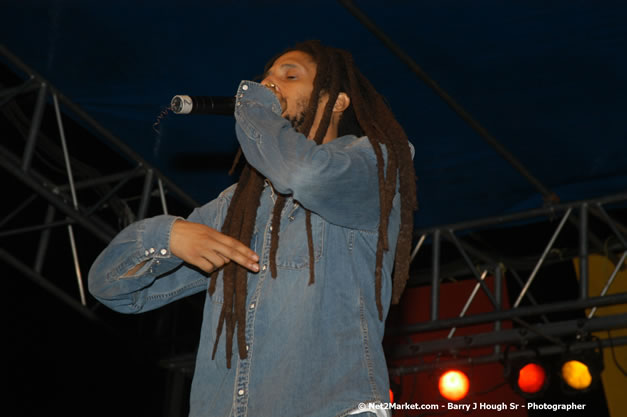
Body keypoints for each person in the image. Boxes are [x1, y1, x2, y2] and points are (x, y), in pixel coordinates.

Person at [89, 40, 417, 417]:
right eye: (266, 78)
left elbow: (303, 174)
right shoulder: (236, 207)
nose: (269, 84)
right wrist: (167, 237)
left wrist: (255, 103)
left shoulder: (375, 163)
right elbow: (111, 288)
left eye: (290, 75)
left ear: (336, 101)